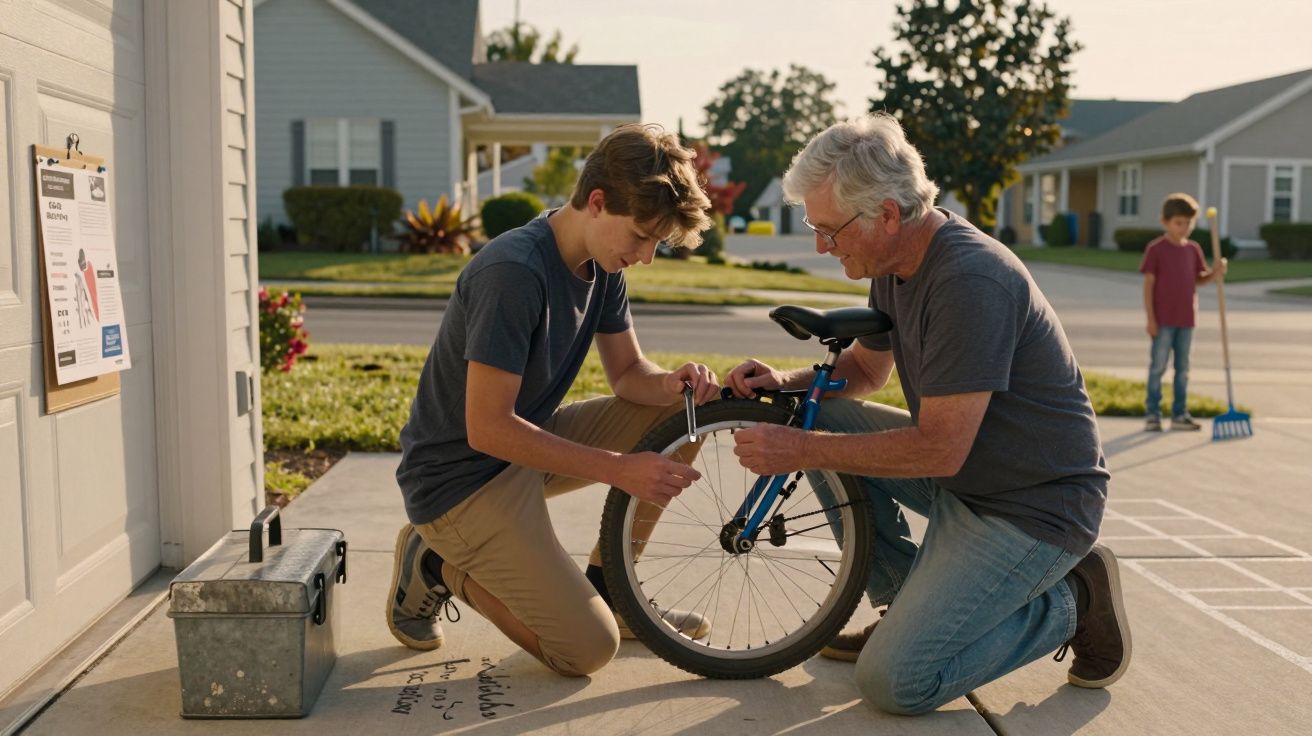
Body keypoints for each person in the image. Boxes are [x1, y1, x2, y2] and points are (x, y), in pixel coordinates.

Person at [725, 114, 1127, 715]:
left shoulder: (970, 280)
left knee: (895, 682)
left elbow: (940, 448)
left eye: (829, 231)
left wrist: (801, 452)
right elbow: (864, 373)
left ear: (886, 214)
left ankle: (1072, 601)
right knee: (819, 419)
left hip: (1032, 506)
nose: (820, 246)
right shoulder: (895, 263)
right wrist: (785, 385)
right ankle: (902, 609)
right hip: (968, 477)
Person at [387, 124, 719, 677]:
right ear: (597, 202)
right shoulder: (514, 272)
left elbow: (629, 373)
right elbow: (487, 429)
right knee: (585, 651)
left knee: (682, 416)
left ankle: (615, 592)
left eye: (655, 244)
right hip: (459, 483)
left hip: (521, 449)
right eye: (641, 237)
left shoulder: (602, 261)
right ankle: (437, 562)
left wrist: (670, 383)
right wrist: (620, 470)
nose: (645, 256)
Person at [1140, 193, 1227, 431]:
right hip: (1162, 320)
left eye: (1188, 223)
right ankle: (1153, 414)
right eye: (1179, 222)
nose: (1184, 227)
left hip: (1187, 319)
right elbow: (1148, 285)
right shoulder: (1156, 249)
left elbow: (1198, 280)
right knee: (1158, 367)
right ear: (1165, 222)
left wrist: (1216, 272)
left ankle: (1179, 414)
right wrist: (1150, 319)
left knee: (1183, 369)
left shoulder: (1193, 249)